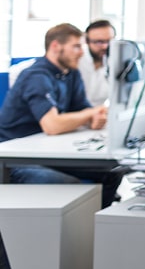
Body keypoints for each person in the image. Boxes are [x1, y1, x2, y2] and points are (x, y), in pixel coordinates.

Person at [0, 23, 123, 208]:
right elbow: (53, 125)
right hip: (16, 159)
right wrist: (89, 114)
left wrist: (93, 117)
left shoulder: (70, 74)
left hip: (45, 151)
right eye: (76, 46)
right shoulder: (36, 75)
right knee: (69, 186)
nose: (82, 52)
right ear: (56, 46)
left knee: (112, 171)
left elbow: (86, 113)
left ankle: (94, 227)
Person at [78, 19, 116, 107]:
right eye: (99, 42)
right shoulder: (77, 60)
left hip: (100, 115)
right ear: (87, 41)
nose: (105, 46)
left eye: (110, 41)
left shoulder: (115, 62)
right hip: (76, 115)